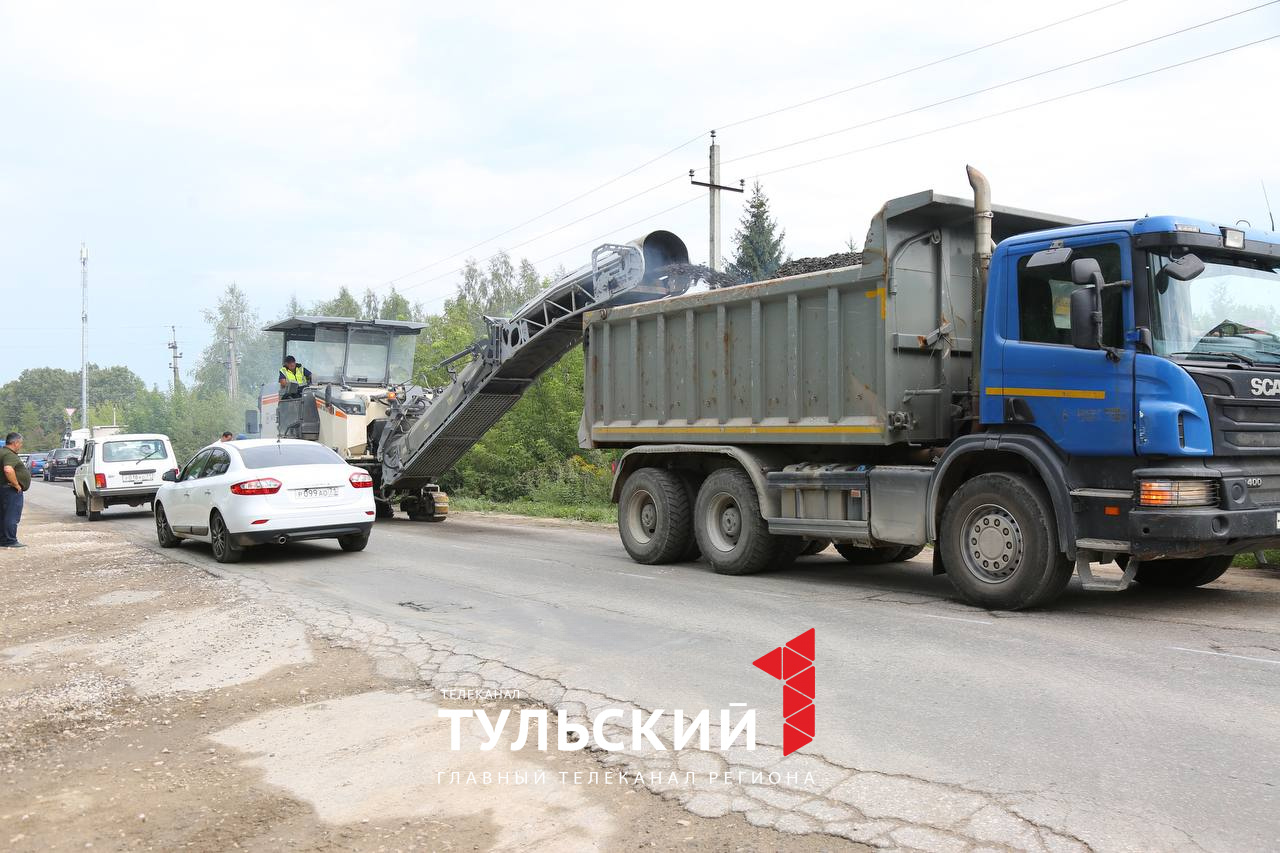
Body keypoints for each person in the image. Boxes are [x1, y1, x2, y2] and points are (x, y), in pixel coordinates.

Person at [0, 432, 31, 549]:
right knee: (11, 515)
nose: (20, 446)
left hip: (3, 489)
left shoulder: (2, 452)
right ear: (15, 442)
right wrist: (16, 484)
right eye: (20, 443)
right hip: (10, 490)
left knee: (3, 515)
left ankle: (3, 539)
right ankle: (10, 540)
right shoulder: (9, 454)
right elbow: (8, 469)